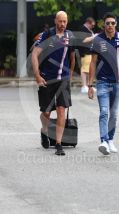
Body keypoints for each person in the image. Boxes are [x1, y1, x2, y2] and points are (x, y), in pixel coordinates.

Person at [88, 12, 119, 155]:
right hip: (102, 81)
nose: (110, 26)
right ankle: (103, 141)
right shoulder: (98, 40)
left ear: (116, 24)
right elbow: (92, 62)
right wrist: (90, 85)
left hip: (117, 82)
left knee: (114, 115)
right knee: (104, 112)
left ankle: (110, 140)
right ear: (104, 24)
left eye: (112, 23)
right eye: (107, 23)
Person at [32, 11, 75, 156]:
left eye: (65, 21)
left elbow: (72, 57)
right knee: (46, 112)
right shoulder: (47, 35)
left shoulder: (70, 36)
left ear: (67, 22)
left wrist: (69, 76)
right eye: (60, 21)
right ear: (55, 20)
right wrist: (37, 75)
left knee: (62, 109)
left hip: (62, 79)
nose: (62, 24)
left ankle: (58, 144)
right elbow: (34, 54)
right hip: (47, 78)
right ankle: (44, 131)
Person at [78, 17, 96, 93]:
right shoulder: (82, 29)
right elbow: (83, 40)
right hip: (85, 53)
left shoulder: (88, 30)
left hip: (89, 52)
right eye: (92, 25)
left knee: (89, 70)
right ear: (88, 23)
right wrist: (94, 37)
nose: (93, 27)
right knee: (84, 70)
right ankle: (84, 85)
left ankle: (88, 85)